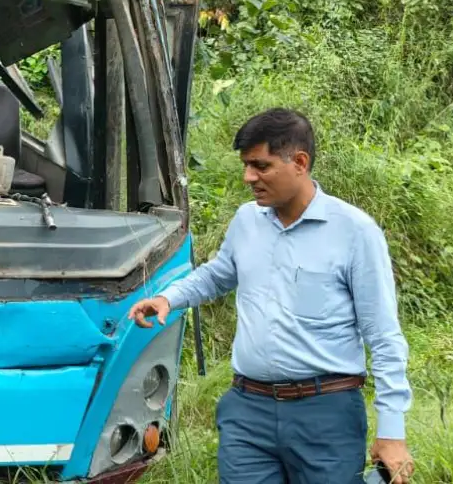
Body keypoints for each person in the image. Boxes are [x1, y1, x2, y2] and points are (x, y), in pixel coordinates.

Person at [127, 108, 413, 483]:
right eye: (246, 165)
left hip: (326, 414)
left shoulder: (355, 232)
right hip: (248, 412)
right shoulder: (247, 221)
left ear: (299, 162)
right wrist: (170, 298)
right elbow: (217, 275)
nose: (249, 177)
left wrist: (392, 431)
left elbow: (384, 336)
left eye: (261, 166)